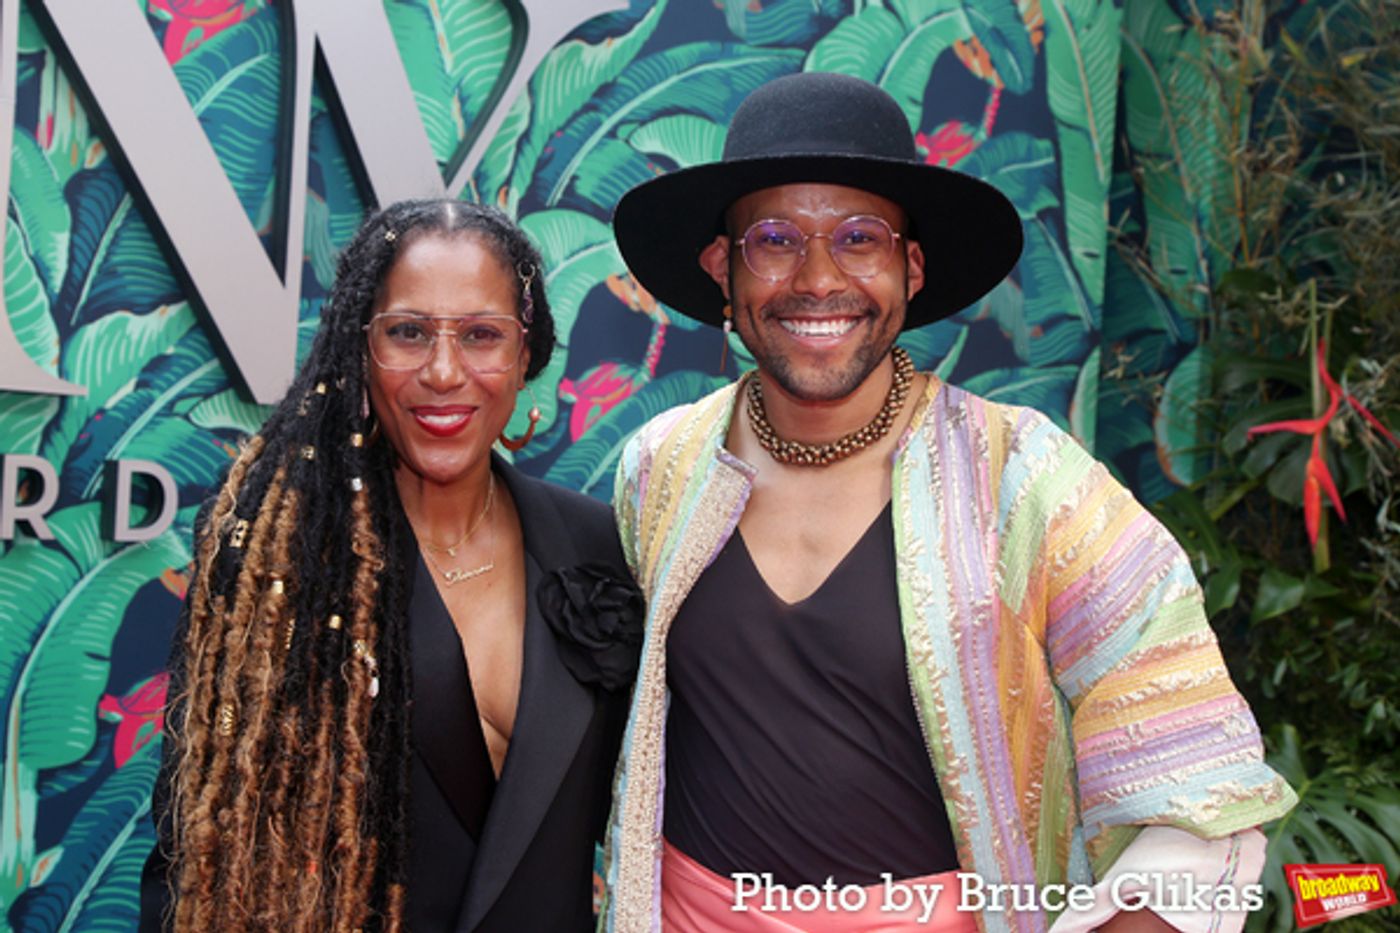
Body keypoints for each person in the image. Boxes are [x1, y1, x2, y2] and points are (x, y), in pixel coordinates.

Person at [600, 73, 1296, 933]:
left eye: (861, 237)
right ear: (721, 268)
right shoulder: (658, 467)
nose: (818, 278)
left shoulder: (1023, 476)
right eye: (774, 239)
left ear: (910, 267)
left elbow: (1191, 761)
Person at [139, 199, 642, 931]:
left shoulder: (596, 544)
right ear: (358, 348)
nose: (444, 371)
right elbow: (196, 844)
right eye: (407, 332)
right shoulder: (282, 555)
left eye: (480, 335)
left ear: (526, 352)